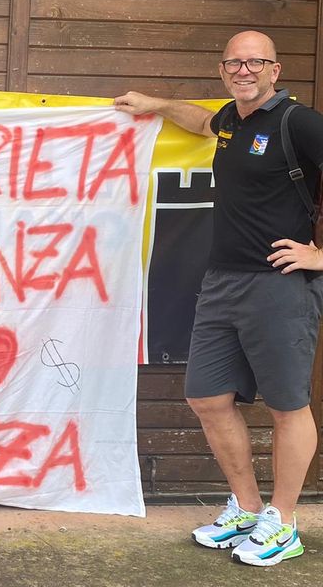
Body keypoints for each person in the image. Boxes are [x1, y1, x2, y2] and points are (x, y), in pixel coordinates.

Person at [115, 30, 323, 567]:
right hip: (221, 281)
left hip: (278, 284)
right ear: (223, 70)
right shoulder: (233, 119)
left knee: (287, 406)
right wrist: (156, 104)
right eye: (234, 63)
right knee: (206, 397)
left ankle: (284, 523)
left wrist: (320, 255)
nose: (244, 70)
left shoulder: (298, 122)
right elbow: (202, 122)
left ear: (275, 70)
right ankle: (249, 509)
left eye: (255, 62)